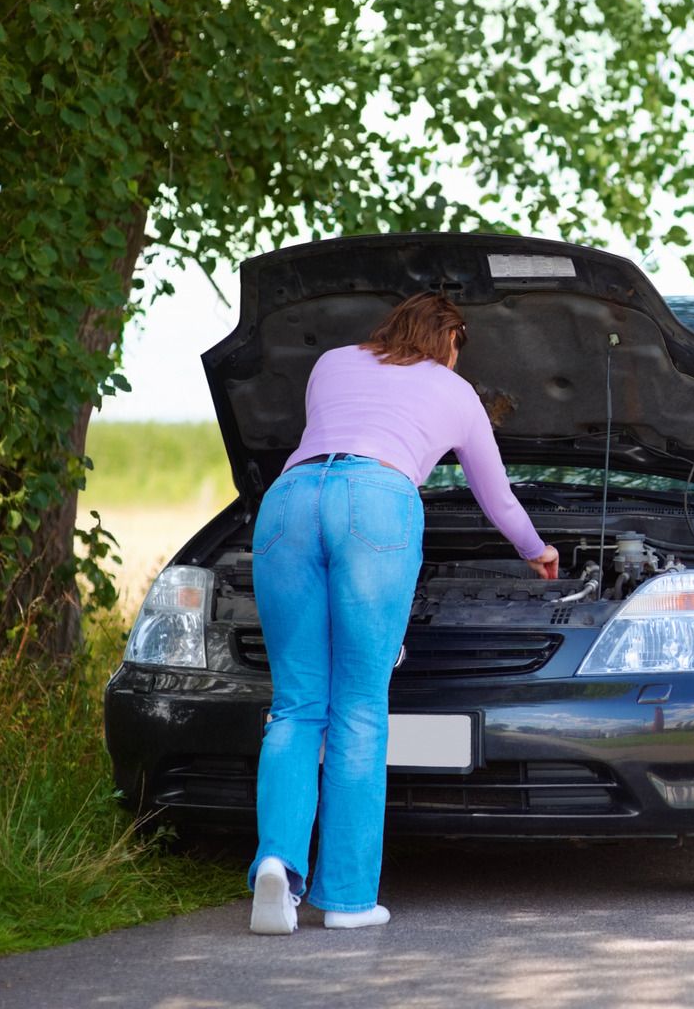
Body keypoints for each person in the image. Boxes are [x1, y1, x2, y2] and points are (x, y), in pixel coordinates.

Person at [247, 292, 558, 935]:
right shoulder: (454, 389)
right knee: (359, 705)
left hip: (288, 502)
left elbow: (328, 443)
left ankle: (276, 865)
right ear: (451, 340)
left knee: (297, 704)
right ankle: (349, 900)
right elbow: (495, 497)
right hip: (377, 501)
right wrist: (538, 550)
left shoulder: (332, 361)